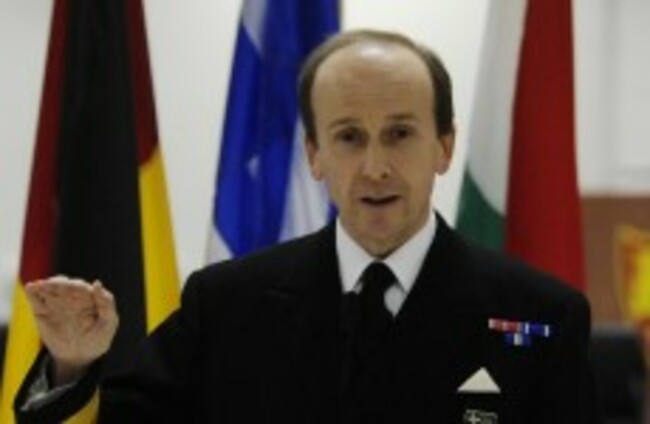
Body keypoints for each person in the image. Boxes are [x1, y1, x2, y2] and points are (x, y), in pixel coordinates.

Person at [15, 29, 599, 423]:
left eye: (400, 133)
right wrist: (72, 365)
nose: (375, 167)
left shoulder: (541, 314)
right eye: (349, 137)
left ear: (444, 146)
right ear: (314, 154)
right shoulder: (226, 305)